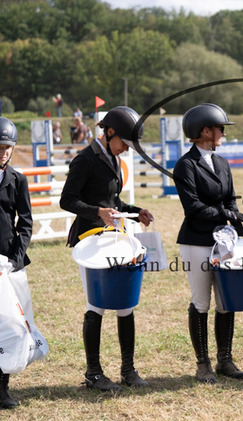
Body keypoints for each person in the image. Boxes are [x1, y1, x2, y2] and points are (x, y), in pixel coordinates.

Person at [60, 106, 154, 391]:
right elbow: (67, 200)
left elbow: (113, 202)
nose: (126, 149)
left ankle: (128, 370)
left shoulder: (114, 158)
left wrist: (136, 212)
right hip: (90, 240)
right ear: (109, 132)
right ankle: (93, 373)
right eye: (124, 142)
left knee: (126, 303)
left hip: (115, 237)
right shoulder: (84, 160)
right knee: (97, 305)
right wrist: (97, 212)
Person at [173, 103, 243, 384]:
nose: (223, 133)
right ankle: (203, 364)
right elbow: (192, 207)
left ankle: (225, 360)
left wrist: (235, 220)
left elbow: (230, 198)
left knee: (226, 301)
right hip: (197, 241)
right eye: (220, 128)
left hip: (224, 241)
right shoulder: (185, 165)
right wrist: (225, 214)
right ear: (205, 131)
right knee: (201, 302)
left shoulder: (222, 163)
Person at [0, 117, 33, 409]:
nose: (3, 152)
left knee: (6, 324)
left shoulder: (18, 179)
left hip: (8, 263)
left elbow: (26, 223)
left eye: (7, 147)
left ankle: (2, 389)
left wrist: (15, 260)